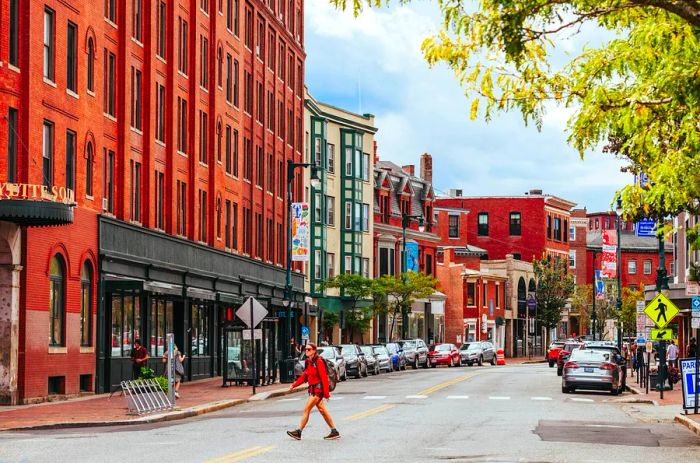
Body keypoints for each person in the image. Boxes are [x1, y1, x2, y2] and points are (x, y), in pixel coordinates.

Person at [286, 343, 339, 440]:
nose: (306, 351)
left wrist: (326, 394)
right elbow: (304, 376)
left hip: (318, 390)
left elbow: (324, 378)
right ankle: (334, 431)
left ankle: (299, 432)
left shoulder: (319, 361)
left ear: (314, 351)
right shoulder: (308, 362)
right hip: (313, 389)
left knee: (306, 409)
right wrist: (294, 385)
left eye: (309, 349)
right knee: (322, 410)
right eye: (305, 349)